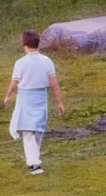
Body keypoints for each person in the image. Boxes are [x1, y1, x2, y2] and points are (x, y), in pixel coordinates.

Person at [4, 28, 64, 175]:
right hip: (40, 97)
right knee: (34, 129)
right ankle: (34, 160)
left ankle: (34, 163)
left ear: (24, 43)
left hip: (26, 98)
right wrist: (59, 102)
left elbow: (15, 82)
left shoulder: (21, 63)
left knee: (30, 131)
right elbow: (53, 83)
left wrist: (8, 95)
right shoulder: (47, 61)